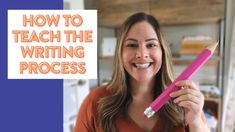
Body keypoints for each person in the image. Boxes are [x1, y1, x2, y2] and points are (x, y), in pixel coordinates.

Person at [74, 12, 209, 132]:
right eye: (132, 45)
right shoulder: (94, 101)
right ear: (120, 53)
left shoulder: (183, 100)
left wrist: (195, 122)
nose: (142, 54)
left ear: (163, 52)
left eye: (151, 45)